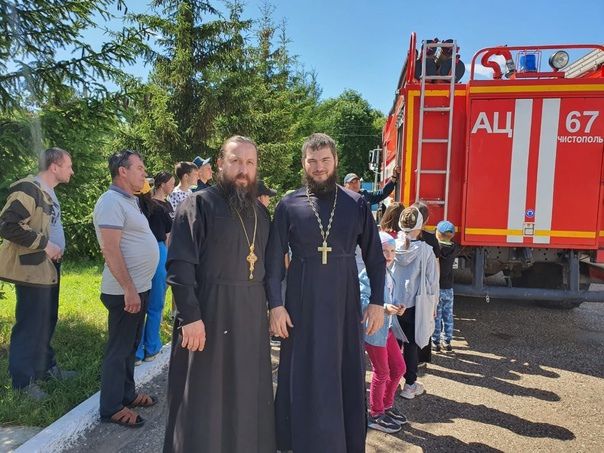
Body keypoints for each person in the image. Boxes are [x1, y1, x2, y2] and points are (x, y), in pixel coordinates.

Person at [266, 133, 385, 453]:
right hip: (301, 303)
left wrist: (377, 303)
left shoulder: (356, 203)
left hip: (344, 305)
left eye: (325, 161)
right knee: (301, 369)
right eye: (312, 161)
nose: (319, 167)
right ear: (304, 163)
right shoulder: (289, 204)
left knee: (344, 368)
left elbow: (375, 257)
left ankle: (342, 442)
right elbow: (274, 259)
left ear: (335, 161)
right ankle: (295, 440)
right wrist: (275, 305)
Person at [163, 136, 276, 453]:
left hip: (250, 317)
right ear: (221, 163)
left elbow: (267, 269)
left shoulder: (261, 213)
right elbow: (180, 264)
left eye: (250, 163)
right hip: (208, 316)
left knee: (245, 393)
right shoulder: (198, 204)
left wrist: (273, 309)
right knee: (204, 397)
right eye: (236, 161)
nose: (243, 169)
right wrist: (190, 317)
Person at [0, 147, 75, 400]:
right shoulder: (28, 188)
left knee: (47, 319)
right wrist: (46, 245)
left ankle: (45, 368)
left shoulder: (49, 192)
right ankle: (23, 383)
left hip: (49, 267)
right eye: (68, 166)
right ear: (54, 166)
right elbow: (8, 225)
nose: (71, 171)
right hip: (33, 268)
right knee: (30, 324)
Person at [93, 150, 160, 428]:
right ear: (123, 170)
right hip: (124, 291)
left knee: (131, 345)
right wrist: (129, 289)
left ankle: (127, 394)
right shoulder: (110, 201)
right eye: (140, 168)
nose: (144, 174)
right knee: (119, 348)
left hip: (138, 288)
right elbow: (110, 249)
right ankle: (110, 408)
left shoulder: (129, 201)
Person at [361, 232, 408, 434]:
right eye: (384, 250)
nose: (389, 255)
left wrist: (396, 306)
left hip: (386, 328)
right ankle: (376, 413)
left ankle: (386, 405)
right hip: (373, 331)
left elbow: (387, 298)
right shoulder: (366, 274)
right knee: (382, 372)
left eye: (392, 251)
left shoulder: (387, 272)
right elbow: (362, 302)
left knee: (399, 368)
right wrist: (383, 308)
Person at [392, 206, 439, 400]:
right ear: (421, 225)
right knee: (411, 345)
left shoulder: (392, 245)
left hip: (392, 302)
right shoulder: (426, 250)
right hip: (414, 304)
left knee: (393, 344)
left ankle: (390, 382)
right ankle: (410, 385)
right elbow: (432, 281)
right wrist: (434, 306)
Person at [135, 172, 175, 364]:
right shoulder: (160, 209)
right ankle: (151, 346)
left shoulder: (133, 209)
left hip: (135, 254)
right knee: (155, 302)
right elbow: (168, 236)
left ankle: (136, 351)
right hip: (158, 252)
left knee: (137, 303)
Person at [411, 201, 440, 367]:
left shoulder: (402, 238)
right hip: (425, 288)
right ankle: (421, 358)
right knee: (425, 321)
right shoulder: (430, 240)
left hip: (407, 287)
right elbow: (436, 267)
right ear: (427, 219)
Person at [432, 220, 461, 352]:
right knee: (448, 315)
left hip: (437, 288)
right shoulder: (454, 248)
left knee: (436, 316)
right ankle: (447, 341)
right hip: (448, 288)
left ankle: (436, 342)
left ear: (437, 233)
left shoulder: (436, 248)